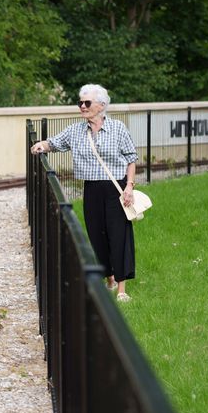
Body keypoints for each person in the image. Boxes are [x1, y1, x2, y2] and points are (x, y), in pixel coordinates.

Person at [30, 84, 138, 301]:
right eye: (80, 102)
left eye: (87, 103)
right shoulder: (75, 130)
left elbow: (131, 158)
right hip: (92, 189)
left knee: (119, 236)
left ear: (101, 105)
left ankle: (122, 289)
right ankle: (109, 277)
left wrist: (129, 186)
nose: (82, 106)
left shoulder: (118, 128)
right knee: (97, 235)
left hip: (115, 187)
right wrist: (41, 145)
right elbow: (55, 143)